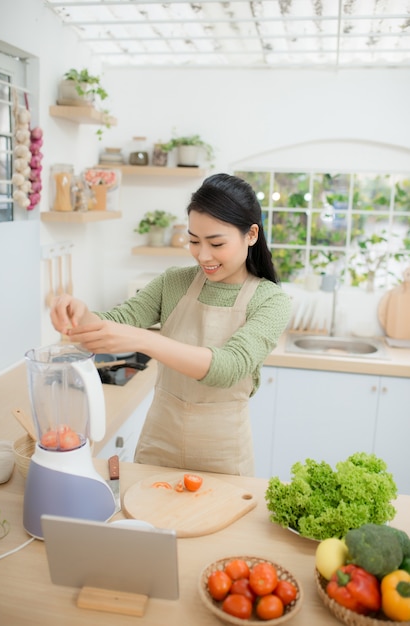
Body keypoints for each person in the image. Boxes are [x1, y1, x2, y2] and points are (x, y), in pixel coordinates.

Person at [50, 173, 292, 476]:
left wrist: (144, 340)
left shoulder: (271, 300)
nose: (203, 256)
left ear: (251, 235)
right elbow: (119, 320)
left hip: (224, 455)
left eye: (216, 243)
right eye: (194, 241)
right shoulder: (174, 282)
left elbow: (228, 367)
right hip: (159, 446)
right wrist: (81, 314)